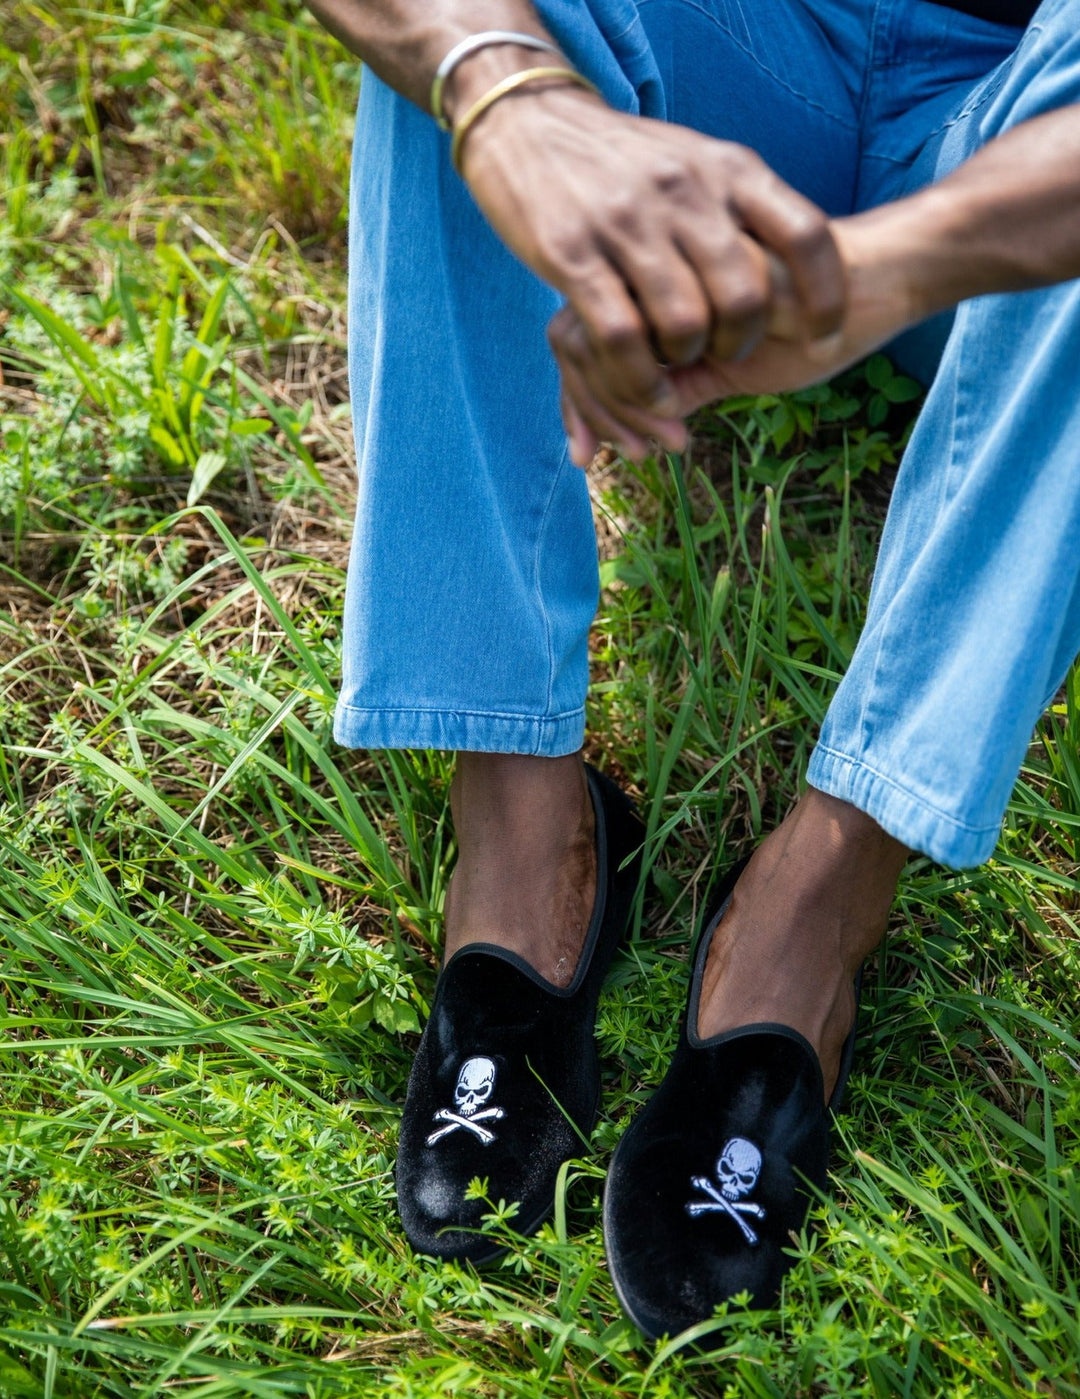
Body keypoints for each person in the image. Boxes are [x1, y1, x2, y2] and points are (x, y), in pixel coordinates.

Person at [303, 0, 1080, 1338]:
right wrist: (510, 101)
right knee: (482, 33)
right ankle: (519, 824)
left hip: (1019, 134)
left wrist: (880, 271)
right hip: (746, 46)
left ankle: (824, 888)